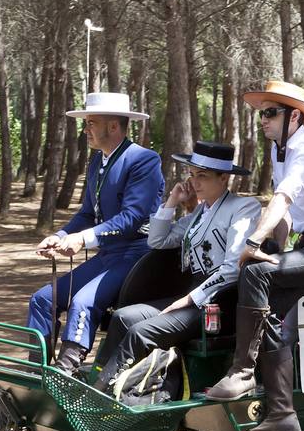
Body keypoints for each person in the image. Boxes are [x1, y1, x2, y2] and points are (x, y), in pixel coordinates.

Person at [202, 80, 304, 431]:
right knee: (270, 317)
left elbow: (284, 197)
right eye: (261, 113)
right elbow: (286, 217)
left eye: (270, 112)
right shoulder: (279, 151)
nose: (263, 119)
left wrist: (254, 242)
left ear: (294, 116)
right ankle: (282, 417)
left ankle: (243, 372)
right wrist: (277, 246)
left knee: (256, 271)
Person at [94, 141, 262, 401]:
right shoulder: (199, 214)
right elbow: (158, 241)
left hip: (218, 304)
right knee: (124, 317)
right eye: (193, 175)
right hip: (192, 299)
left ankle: (103, 393)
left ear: (224, 177)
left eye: (203, 176)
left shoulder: (243, 208)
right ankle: (98, 376)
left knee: (141, 332)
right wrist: (173, 200)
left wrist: (188, 299)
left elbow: (232, 269)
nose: (195, 183)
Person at [26, 92, 166, 372]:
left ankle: (66, 372)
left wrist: (83, 238)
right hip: (108, 256)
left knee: (82, 303)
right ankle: (36, 371)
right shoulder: (97, 162)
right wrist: (62, 235)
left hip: (136, 257)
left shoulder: (143, 160)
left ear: (113, 127)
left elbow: (131, 218)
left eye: (91, 123)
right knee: (42, 299)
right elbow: (88, 213)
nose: (85, 130)